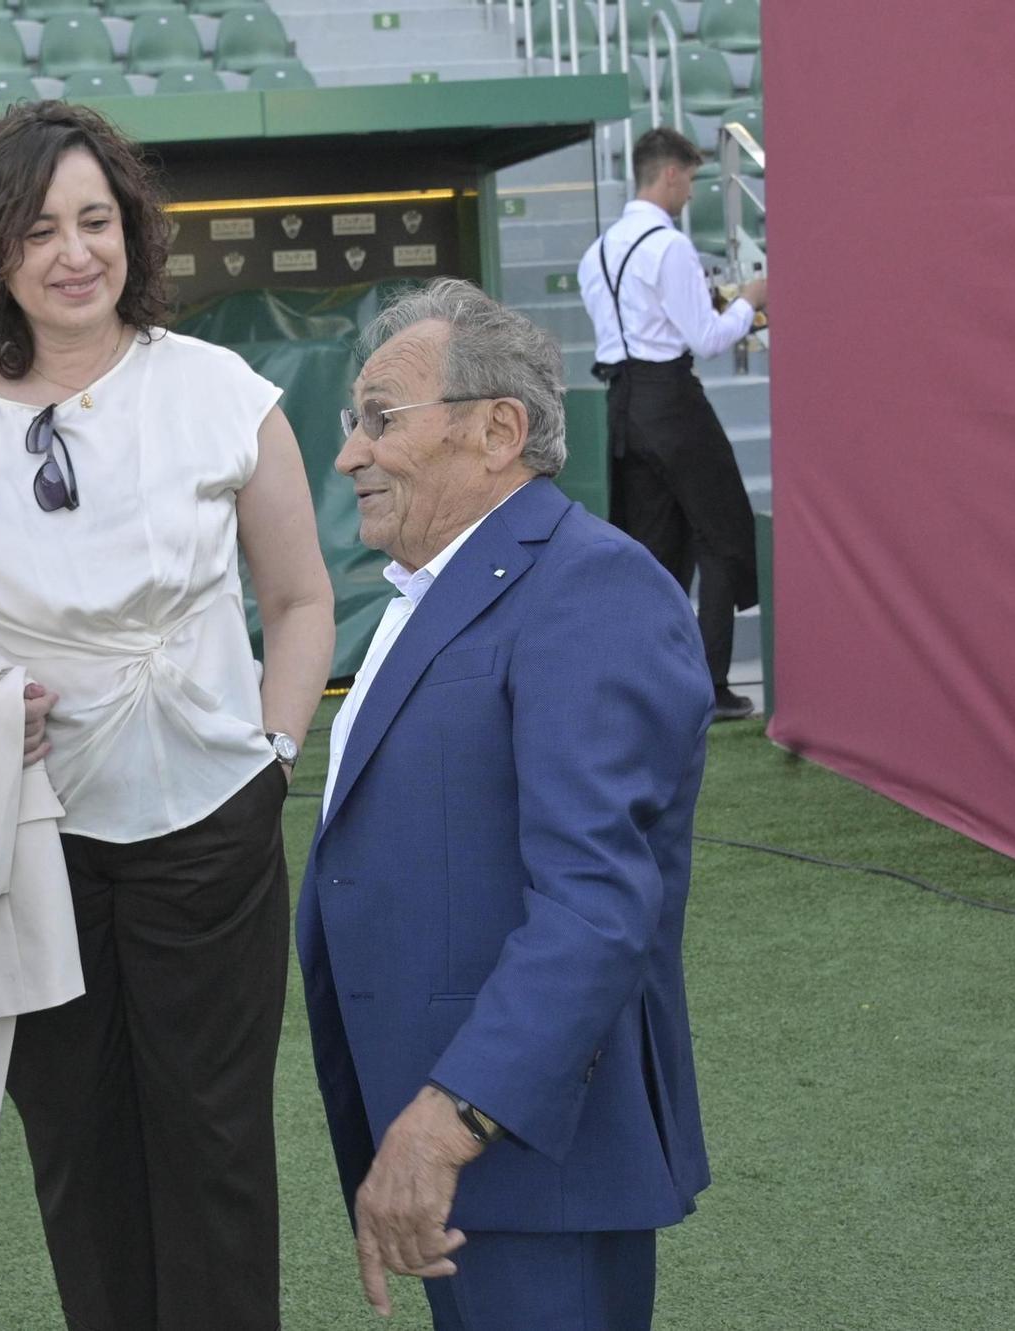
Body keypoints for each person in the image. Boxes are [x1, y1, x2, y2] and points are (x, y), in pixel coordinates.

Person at [0, 100, 334, 1331]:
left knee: (216, 1140)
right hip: (28, 837)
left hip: (209, 821)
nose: (75, 254)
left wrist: (273, 755)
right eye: (37, 231)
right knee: (76, 1143)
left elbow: (296, 599)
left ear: (131, 231)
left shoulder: (219, 390)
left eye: (95, 220)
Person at [305, 278, 714, 1330]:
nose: (349, 453)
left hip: (528, 1159)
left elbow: (592, 907)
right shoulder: (444, 588)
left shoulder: (588, 588)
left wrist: (444, 1124)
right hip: (478, 1158)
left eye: (378, 420)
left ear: (496, 431)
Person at [578, 126, 769, 722]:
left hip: (622, 408)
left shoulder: (596, 253)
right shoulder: (669, 247)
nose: (689, 192)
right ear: (669, 175)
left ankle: (648, 681)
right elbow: (706, 338)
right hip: (672, 401)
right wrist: (751, 299)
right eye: (688, 179)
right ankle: (709, 684)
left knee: (652, 549)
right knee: (720, 534)